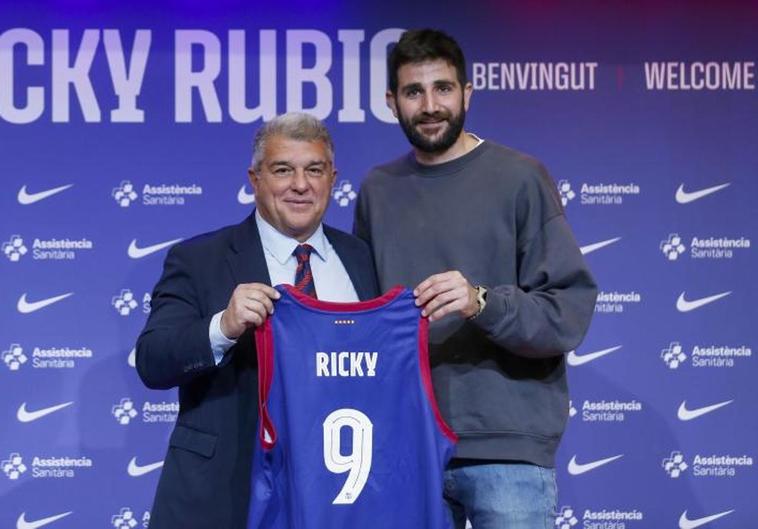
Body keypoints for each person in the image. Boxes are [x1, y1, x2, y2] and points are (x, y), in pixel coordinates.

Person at [354, 29, 598, 529]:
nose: (430, 106)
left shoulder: (520, 178)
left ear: (467, 93)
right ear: (390, 102)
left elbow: (565, 313)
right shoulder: (377, 191)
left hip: (506, 453)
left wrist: (479, 300)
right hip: (408, 449)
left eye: (443, 88)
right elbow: (363, 320)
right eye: (413, 92)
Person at [136, 112, 379, 529]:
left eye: (314, 170)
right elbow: (153, 361)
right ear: (255, 178)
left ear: (333, 179)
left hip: (339, 492)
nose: (300, 185)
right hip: (228, 494)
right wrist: (223, 327)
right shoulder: (200, 259)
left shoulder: (362, 259)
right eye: (283, 170)